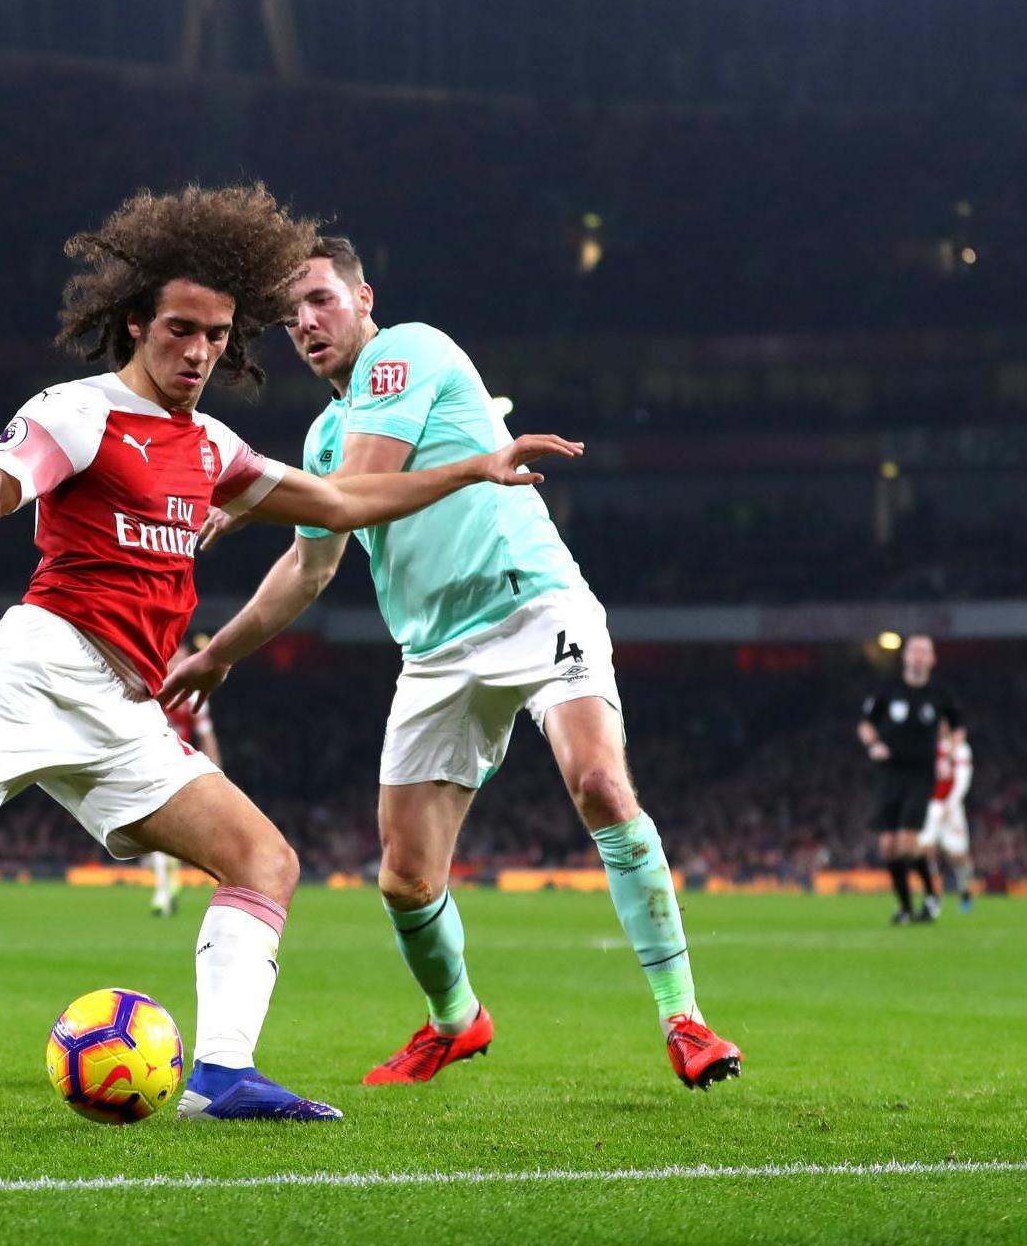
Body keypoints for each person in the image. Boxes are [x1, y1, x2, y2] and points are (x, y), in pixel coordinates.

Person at [0, 185, 581, 1121]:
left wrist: (474, 464)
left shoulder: (212, 445)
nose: (199, 352)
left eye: (217, 336)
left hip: (129, 710)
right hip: (42, 673)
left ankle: (218, 1076)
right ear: (136, 324)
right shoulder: (74, 414)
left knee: (265, 863)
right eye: (180, 329)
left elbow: (338, 506)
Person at [161, 240, 742, 1090]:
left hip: (534, 604)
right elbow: (310, 565)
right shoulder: (323, 436)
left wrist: (251, 490)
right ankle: (456, 1021)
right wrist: (219, 653)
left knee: (600, 787)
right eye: (291, 318)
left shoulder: (406, 352)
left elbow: (358, 489)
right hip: (434, 652)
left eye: (320, 301)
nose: (307, 325)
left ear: (364, 296)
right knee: (402, 878)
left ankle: (683, 1019)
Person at [858, 634, 961, 925]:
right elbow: (866, 724)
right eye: (913, 651)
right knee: (888, 846)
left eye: (923, 651)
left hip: (920, 774)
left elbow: (957, 728)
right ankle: (905, 908)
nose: (917, 656)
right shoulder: (889, 689)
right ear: (905, 657)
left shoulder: (940, 694)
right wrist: (873, 744)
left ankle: (931, 895)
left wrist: (950, 748)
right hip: (889, 774)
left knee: (906, 841)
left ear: (932, 659)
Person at [149, 636, 223, 919]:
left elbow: (207, 736)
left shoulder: (192, 696)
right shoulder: (152, 689)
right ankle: (163, 891)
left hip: (180, 766)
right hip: (152, 764)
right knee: (156, 831)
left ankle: (168, 885)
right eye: (173, 658)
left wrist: (217, 773)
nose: (177, 663)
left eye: (182, 658)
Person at [919, 727, 976, 913]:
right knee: (926, 849)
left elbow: (963, 780)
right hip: (932, 804)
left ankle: (965, 891)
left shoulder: (962, 749)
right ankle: (934, 893)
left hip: (952, 807)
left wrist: (950, 804)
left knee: (957, 855)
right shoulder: (931, 745)